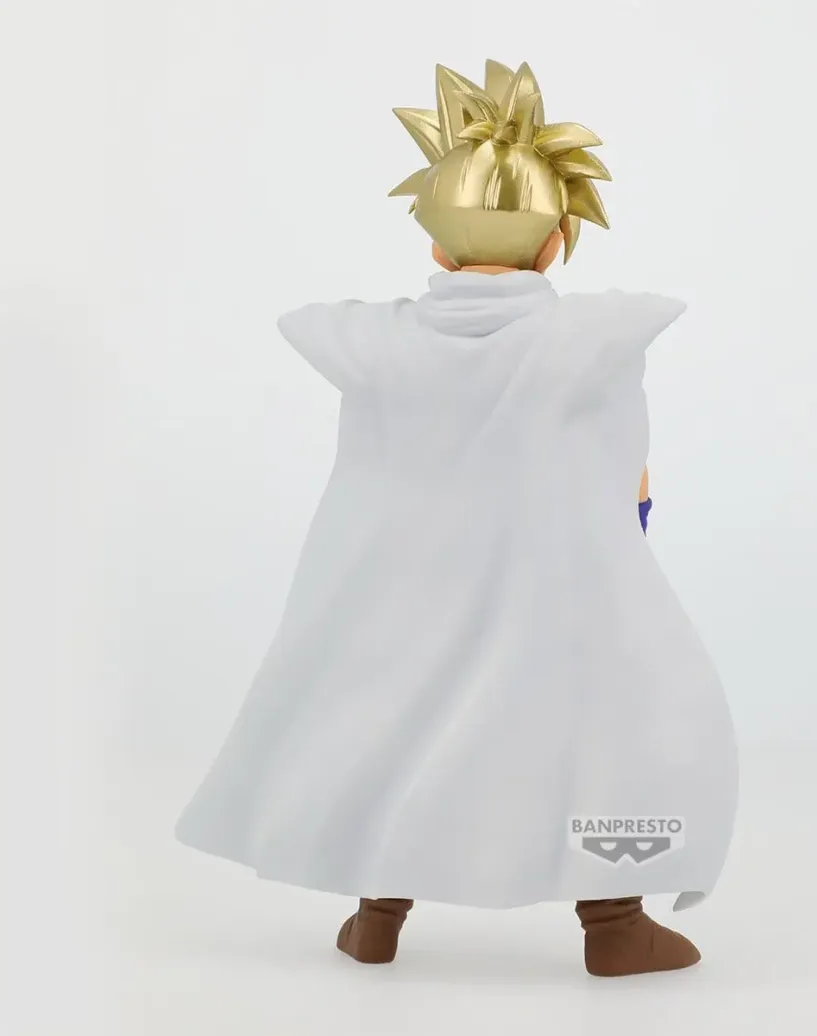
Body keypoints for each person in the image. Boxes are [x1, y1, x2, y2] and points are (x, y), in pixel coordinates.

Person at [176, 59, 738, 979]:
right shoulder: (592, 340)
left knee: (395, 724)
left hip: (407, 595)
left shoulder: (373, 343)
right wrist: (625, 513)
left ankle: (377, 915)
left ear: (435, 250)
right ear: (554, 245)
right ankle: (614, 921)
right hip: (558, 596)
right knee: (609, 731)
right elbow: (625, 465)